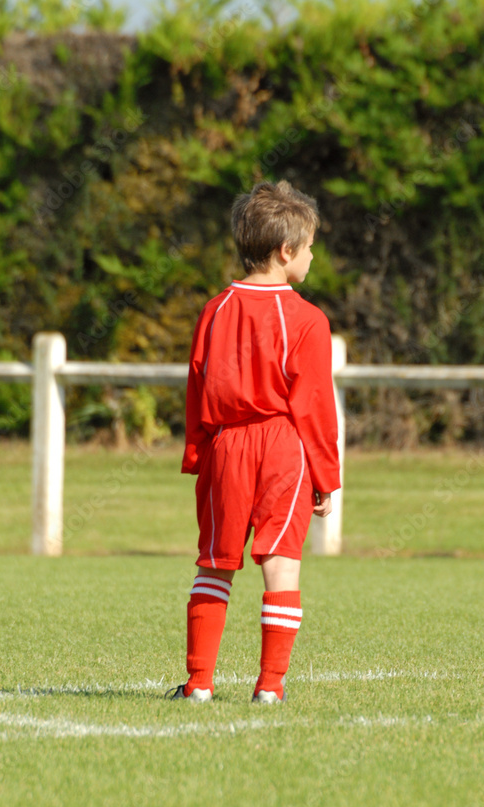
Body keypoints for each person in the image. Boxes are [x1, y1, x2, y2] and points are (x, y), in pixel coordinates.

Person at [165, 179, 341, 704]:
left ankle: (198, 684)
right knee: (280, 566)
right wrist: (326, 477)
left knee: (214, 564)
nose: (312, 257)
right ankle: (270, 687)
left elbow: (197, 384)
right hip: (284, 449)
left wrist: (198, 452)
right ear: (286, 251)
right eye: (309, 247)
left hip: (226, 448)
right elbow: (313, 405)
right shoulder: (308, 319)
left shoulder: (215, 309)